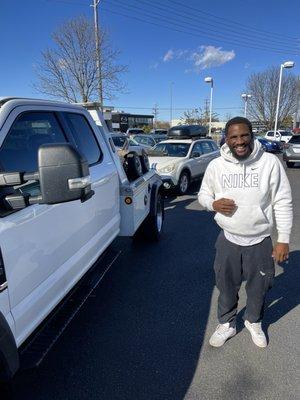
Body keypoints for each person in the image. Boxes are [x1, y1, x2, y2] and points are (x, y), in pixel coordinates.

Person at [198, 117, 293, 348]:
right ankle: (227, 324)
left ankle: (253, 321)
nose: (239, 141)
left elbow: (283, 201)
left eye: (244, 135)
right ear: (226, 139)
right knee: (226, 285)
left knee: (259, 286)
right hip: (228, 239)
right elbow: (203, 195)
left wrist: (283, 240)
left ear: (251, 135)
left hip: (260, 240)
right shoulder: (216, 166)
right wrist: (213, 204)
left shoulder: (269, 163)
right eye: (233, 137)